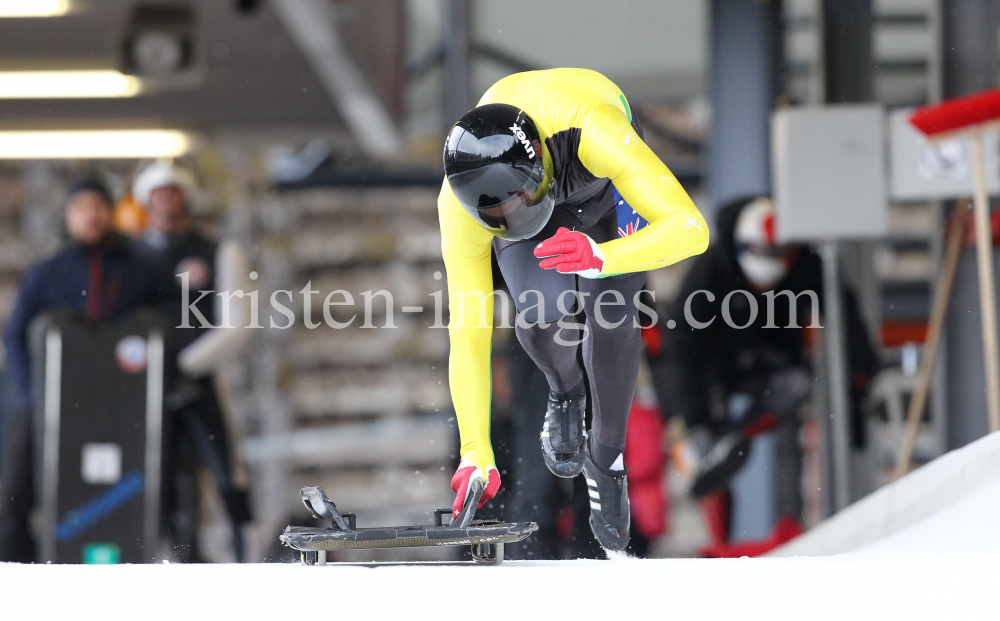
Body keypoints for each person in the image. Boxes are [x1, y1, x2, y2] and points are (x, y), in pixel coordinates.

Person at [439, 68, 708, 550]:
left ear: (538, 165)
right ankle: (566, 392)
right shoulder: (459, 207)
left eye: (517, 205)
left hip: (607, 193)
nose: (511, 220)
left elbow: (691, 228)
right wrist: (474, 450)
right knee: (539, 305)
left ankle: (607, 461)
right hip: (548, 200)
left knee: (610, 314)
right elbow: (469, 332)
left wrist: (605, 256)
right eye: (496, 218)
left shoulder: (596, 130)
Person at [654, 196, 878, 542]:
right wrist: (693, 417)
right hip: (716, 369)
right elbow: (681, 348)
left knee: (794, 400)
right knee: (706, 446)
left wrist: (860, 379)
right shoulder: (710, 270)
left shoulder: (806, 264)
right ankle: (715, 506)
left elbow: (846, 316)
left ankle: (789, 520)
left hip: (772, 366)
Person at [0, 179, 170, 562]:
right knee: (13, 489)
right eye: (81, 208)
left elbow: (169, 327)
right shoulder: (47, 273)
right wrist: (33, 395)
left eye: (97, 207)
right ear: (68, 217)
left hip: (123, 407)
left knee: (156, 483)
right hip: (49, 401)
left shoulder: (141, 272)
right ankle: (17, 569)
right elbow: (15, 337)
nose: (90, 216)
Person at [131, 162, 254, 562]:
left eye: (173, 192)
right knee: (157, 475)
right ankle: (170, 554)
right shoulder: (130, 255)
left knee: (226, 470)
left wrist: (187, 364)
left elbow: (238, 323)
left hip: (200, 380)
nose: (166, 201)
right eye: (158, 194)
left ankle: (242, 552)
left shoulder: (218, 251)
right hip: (142, 386)